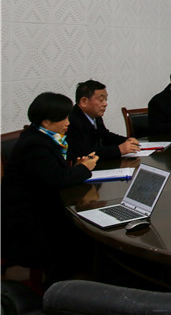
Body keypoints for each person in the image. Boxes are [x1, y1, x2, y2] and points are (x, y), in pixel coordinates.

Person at [1, 92, 99, 281]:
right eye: (64, 118)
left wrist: (77, 167)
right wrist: (84, 169)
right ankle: (60, 286)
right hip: (29, 220)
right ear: (46, 122)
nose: (68, 123)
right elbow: (58, 179)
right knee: (85, 236)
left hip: (41, 205)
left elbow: (53, 172)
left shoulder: (42, 137)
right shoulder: (34, 145)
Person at [66, 79, 139, 161]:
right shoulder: (71, 121)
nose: (105, 104)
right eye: (101, 100)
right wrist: (118, 149)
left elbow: (105, 136)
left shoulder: (95, 115)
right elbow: (84, 152)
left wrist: (126, 140)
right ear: (84, 101)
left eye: (105, 99)